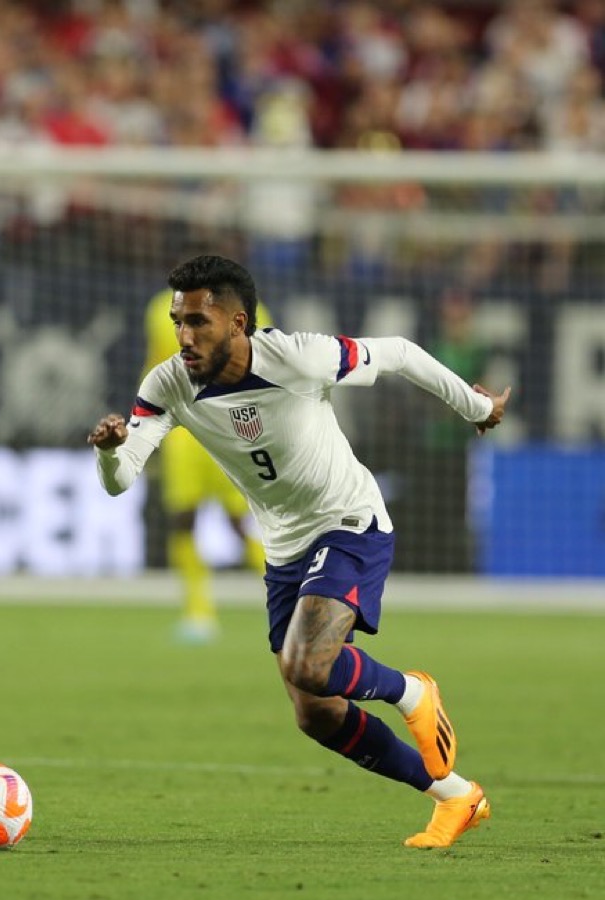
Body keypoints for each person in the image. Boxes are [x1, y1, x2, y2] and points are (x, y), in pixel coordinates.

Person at [88, 255, 510, 848]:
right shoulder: (168, 384)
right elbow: (122, 477)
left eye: (198, 323)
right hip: (285, 548)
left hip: (349, 521)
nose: (184, 335)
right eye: (177, 320)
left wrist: (475, 406)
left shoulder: (297, 356)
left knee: (307, 665)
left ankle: (412, 691)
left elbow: (399, 353)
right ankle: (457, 796)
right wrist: (110, 450)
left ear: (238, 323)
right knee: (315, 712)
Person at [142, 286, 270, 643]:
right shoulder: (160, 308)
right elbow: (155, 368)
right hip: (184, 431)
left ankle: (286, 600)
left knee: (239, 521)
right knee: (184, 520)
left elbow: (262, 364)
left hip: (227, 427)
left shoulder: (245, 307)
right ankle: (198, 614)